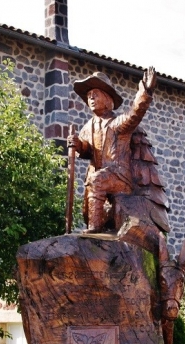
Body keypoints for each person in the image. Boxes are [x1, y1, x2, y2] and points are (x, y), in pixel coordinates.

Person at [68, 67, 157, 233]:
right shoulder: (88, 127)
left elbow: (135, 113)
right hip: (100, 177)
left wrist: (145, 91)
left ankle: (94, 230)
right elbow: (87, 149)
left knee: (96, 181)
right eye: (89, 96)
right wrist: (77, 144)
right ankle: (96, 224)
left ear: (107, 99)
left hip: (119, 176)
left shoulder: (118, 123)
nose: (91, 98)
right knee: (88, 206)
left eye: (96, 94)